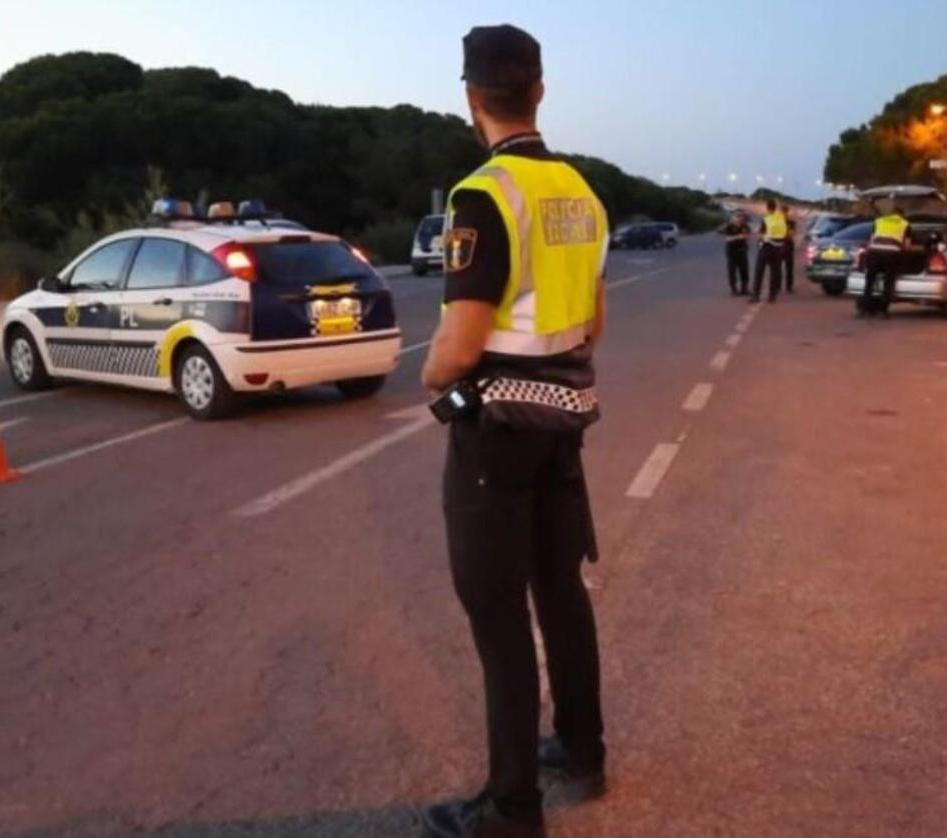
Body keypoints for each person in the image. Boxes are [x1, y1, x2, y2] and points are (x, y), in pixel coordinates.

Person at [420, 24, 607, 838]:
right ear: (539, 89)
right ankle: (583, 749)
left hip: (494, 431)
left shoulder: (482, 196)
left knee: (497, 615)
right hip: (563, 423)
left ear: (470, 98)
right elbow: (594, 320)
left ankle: (512, 808)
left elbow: (459, 345)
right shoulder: (582, 192)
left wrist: (431, 376)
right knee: (560, 591)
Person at [860, 203, 911, 319]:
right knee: (888, 282)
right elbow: (907, 246)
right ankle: (882, 311)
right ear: (902, 215)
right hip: (891, 255)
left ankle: (864, 309)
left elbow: (871, 240)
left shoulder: (879, 221)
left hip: (874, 253)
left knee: (870, 282)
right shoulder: (905, 224)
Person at [751, 199, 786, 303]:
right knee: (774, 272)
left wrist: (759, 236)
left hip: (767, 246)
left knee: (759, 271)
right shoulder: (781, 218)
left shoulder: (766, 219)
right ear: (775, 207)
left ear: (767, 208)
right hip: (778, 248)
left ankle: (756, 296)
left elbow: (761, 234)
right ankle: (772, 296)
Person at [719, 210, 751, 295]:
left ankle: (744, 289)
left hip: (742, 251)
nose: (739, 218)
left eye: (740, 217)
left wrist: (746, 236)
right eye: (737, 217)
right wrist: (738, 237)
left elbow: (748, 235)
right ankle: (734, 289)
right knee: (732, 271)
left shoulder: (745, 226)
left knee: (744, 271)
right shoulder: (729, 226)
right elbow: (727, 239)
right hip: (732, 252)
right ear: (733, 218)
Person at [782, 206, 797, 293]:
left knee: (789, 267)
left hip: (788, 246)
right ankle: (777, 285)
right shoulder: (778, 222)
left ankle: (789, 287)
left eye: (785, 212)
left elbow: (791, 234)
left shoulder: (791, 223)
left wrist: (783, 233)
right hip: (779, 246)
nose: (783, 214)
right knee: (776, 267)